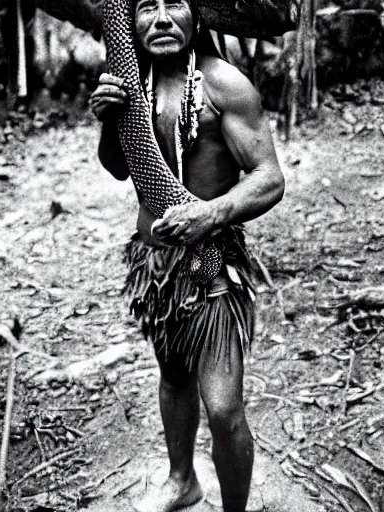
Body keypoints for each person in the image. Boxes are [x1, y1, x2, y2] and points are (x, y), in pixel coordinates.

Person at [90, 1, 284, 511]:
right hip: (155, 268)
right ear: (130, 22)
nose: (159, 18)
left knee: (223, 409)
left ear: (196, 15)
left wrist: (211, 214)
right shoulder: (130, 84)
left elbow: (269, 178)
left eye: (172, 3)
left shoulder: (226, 85)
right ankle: (182, 481)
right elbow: (117, 168)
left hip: (212, 263)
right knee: (174, 376)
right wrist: (111, 120)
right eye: (145, 6)